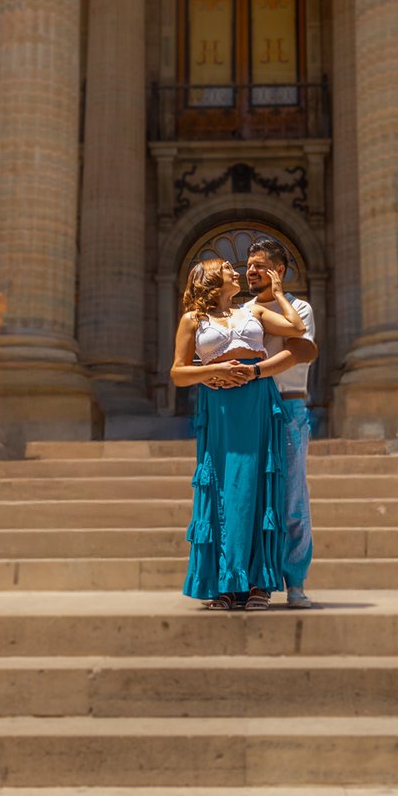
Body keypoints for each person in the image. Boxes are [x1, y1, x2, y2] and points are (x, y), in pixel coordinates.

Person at [171, 258, 306, 611]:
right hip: (220, 407)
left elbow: (296, 328)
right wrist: (209, 372)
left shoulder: (254, 312)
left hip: (259, 400)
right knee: (224, 485)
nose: (237, 271)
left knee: (259, 485)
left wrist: (279, 293)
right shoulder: (193, 320)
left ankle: (259, 583)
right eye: (228, 267)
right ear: (211, 277)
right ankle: (225, 584)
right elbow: (178, 373)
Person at [244, 238, 318, 609]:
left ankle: (296, 580)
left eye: (259, 265)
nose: (251, 271)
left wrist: (257, 370)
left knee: (292, 499)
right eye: (248, 265)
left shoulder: (300, 308)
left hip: (289, 410)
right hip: (252, 410)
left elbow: (297, 352)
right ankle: (255, 581)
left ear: (279, 270)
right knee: (253, 497)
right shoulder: (243, 311)